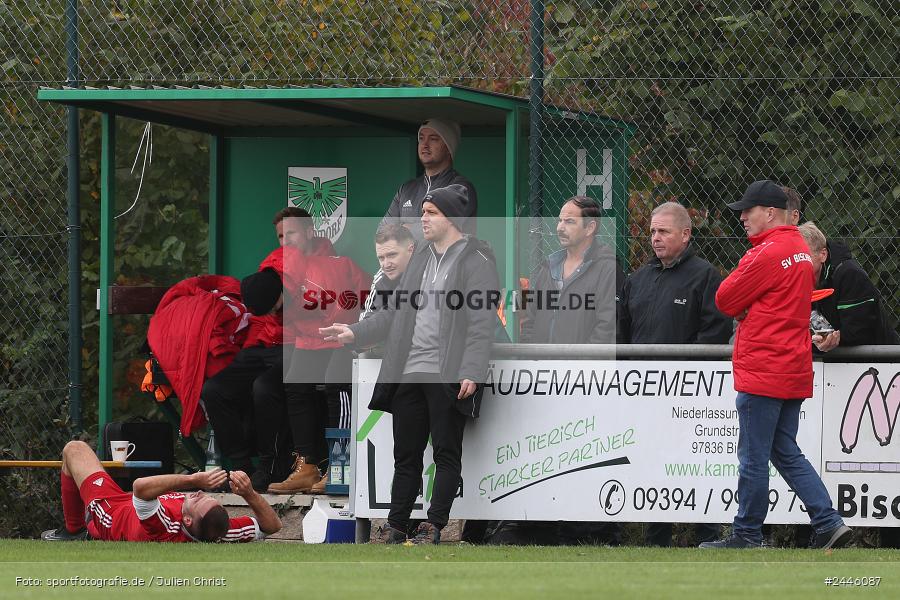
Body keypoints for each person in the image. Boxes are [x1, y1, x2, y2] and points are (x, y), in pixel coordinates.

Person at [322, 184, 500, 545]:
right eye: (423, 212)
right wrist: (355, 332)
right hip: (408, 373)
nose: (423, 219)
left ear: (452, 217)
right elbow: (393, 314)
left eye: (431, 213)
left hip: (447, 374)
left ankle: (434, 526)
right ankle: (396, 525)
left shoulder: (477, 260)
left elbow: (483, 322)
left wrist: (472, 370)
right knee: (405, 455)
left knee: (446, 453)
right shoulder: (419, 259)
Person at [700, 179, 852, 550]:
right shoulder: (801, 249)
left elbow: (724, 299)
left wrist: (748, 307)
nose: (742, 219)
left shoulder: (763, 254)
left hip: (764, 367)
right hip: (793, 366)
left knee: (753, 456)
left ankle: (747, 534)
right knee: (784, 450)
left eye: (747, 212)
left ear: (770, 213)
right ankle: (829, 521)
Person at [481, 196, 622, 546]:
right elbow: (529, 320)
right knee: (545, 452)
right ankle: (541, 524)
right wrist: (535, 361)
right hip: (544, 380)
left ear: (590, 227)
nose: (559, 227)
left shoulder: (608, 267)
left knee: (586, 452)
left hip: (586, 382)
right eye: (559, 220)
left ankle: (590, 528)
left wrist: (580, 371)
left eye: (569, 221)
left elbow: (607, 326)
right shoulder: (547, 266)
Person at [618, 201, 730, 546]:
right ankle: (656, 539)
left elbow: (716, 330)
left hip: (690, 393)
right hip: (643, 393)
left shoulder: (706, 276)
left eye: (663, 231)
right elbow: (624, 332)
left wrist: (686, 373)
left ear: (685, 234)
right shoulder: (638, 278)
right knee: (652, 462)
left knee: (696, 463)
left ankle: (708, 536)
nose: (655, 238)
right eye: (652, 231)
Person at [201, 208, 331, 492]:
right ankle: (240, 468)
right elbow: (259, 316)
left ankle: (270, 468)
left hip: (299, 347)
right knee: (215, 389)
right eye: (281, 236)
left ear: (309, 232)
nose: (286, 241)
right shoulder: (274, 263)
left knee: (264, 388)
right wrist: (248, 350)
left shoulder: (326, 265)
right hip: (264, 347)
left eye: (292, 234)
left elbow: (320, 318)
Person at [41, 441, 281, 542]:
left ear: (186, 519)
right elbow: (272, 526)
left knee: (74, 449)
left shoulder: (166, 528)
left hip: (111, 513)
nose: (200, 494)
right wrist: (249, 493)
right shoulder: (222, 532)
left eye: (199, 501)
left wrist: (194, 479)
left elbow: (140, 487)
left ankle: (75, 531)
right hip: (131, 504)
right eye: (208, 498)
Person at [798, 221, 899, 352]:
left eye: (803, 256)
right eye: (795, 256)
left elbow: (857, 332)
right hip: (831, 362)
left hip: (878, 360)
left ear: (822, 254)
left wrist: (823, 342)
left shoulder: (850, 275)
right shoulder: (797, 281)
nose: (798, 262)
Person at [383, 118, 477, 239]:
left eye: (433, 139)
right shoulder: (407, 188)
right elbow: (383, 233)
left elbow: (439, 231)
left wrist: (403, 230)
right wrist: (410, 230)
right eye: (421, 138)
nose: (425, 145)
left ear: (448, 148)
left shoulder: (460, 187)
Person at [360, 223, 416, 322]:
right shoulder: (381, 277)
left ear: (410, 250)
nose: (386, 264)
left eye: (392, 255)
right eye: (381, 258)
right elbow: (366, 320)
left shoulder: (427, 270)